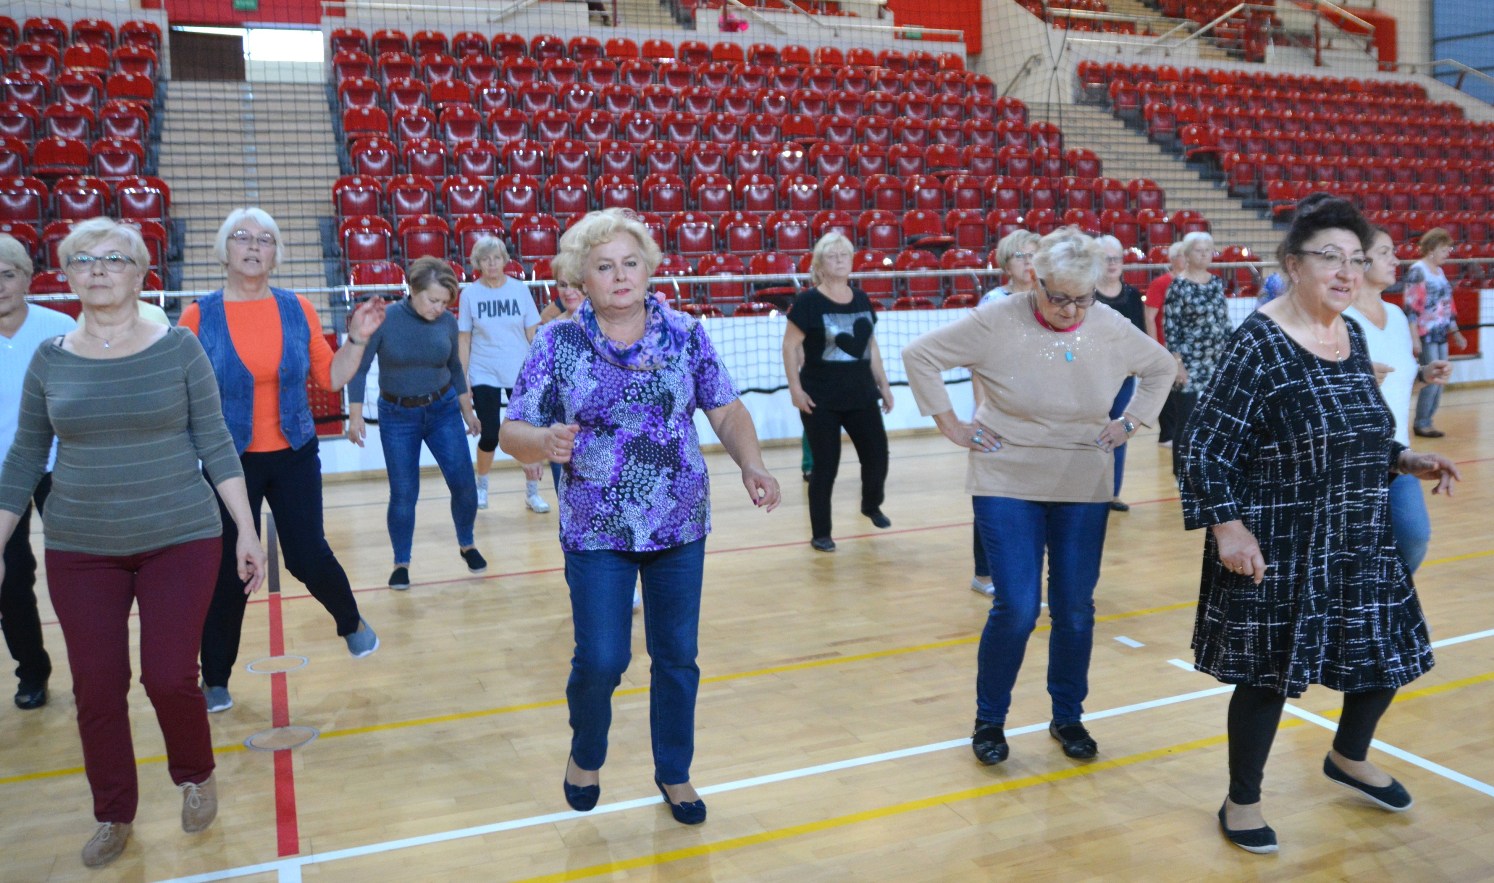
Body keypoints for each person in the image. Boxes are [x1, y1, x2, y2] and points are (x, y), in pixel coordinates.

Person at [1178, 195, 1460, 855]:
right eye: (1330, 257)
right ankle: (1241, 800)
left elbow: (1357, 428)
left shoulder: (1350, 333)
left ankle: (1348, 756)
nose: (1346, 271)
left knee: (1389, 652)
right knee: (1268, 676)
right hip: (1279, 537)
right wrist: (1228, 528)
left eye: (1357, 260)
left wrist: (1403, 458)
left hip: (1358, 532)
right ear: (1292, 264)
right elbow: (1202, 447)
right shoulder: (1259, 342)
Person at [0, 218, 267, 868]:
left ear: (141, 272)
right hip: (80, 545)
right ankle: (113, 811)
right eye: (83, 259)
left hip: (181, 535)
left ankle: (195, 773)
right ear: (66, 275)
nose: (98, 268)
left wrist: (247, 528)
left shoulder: (178, 348)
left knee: (168, 676)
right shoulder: (50, 357)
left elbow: (214, 440)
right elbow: (25, 458)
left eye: (114, 258)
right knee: (96, 686)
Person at [499, 209, 780, 825]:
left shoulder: (686, 334)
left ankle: (674, 771)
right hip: (596, 526)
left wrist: (752, 464)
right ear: (582, 278)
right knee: (602, 659)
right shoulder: (556, 342)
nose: (620, 276)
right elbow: (511, 430)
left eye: (631, 263)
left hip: (679, 521)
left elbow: (726, 409)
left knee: (677, 656)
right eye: (605, 267)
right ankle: (586, 750)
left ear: (649, 269)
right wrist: (543, 441)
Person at [902, 228, 1176, 767]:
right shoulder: (995, 319)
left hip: (1083, 476)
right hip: (1006, 473)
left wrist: (1131, 422)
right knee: (1019, 607)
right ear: (1035, 279)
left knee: (1074, 608)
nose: (1071, 310)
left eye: (1082, 299)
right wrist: (951, 425)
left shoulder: (1108, 323)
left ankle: (1068, 716)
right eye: (1059, 297)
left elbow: (1160, 367)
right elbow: (920, 356)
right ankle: (990, 720)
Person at [180, 208, 383, 714]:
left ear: (276, 254)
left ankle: (351, 622)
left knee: (307, 555)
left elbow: (331, 378)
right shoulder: (198, 316)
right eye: (242, 237)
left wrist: (357, 339)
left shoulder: (298, 308)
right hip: (228, 461)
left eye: (265, 239)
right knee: (228, 572)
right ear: (224, 250)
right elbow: (180, 392)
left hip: (293, 451)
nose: (253, 246)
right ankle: (216, 679)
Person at [348, 257, 488, 589]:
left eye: (444, 302)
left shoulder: (447, 323)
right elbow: (359, 368)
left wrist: (467, 412)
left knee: (464, 484)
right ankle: (401, 562)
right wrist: (355, 416)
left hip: (443, 411)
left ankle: (467, 543)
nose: (439, 308)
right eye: (433, 300)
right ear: (412, 289)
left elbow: (455, 369)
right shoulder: (385, 320)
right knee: (404, 493)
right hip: (398, 416)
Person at [1346, 226, 1452, 574]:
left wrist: (1422, 376)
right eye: (1385, 252)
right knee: (1354, 553)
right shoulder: (1339, 319)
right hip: (1352, 461)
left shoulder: (1395, 316)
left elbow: (1395, 384)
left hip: (1398, 454)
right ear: (1360, 261)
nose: (1396, 259)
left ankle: (1388, 600)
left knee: (1414, 537)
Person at [782, 232, 894, 553]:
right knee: (825, 466)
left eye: (844, 255)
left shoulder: (861, 298)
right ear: (819, 265)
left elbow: (870, 344)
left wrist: (884, 385)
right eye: (832, 256)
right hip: (820, 398)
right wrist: (795, 389)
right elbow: (789, 347)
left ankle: (871, 505)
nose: (840, 260)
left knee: (877, 456)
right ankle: (821, 533)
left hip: (862, 395)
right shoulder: (808, 302)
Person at [0, 234, 73, 710]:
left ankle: (93, 670)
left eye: (7, 275)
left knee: (76, 572)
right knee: (11, 580)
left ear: (27, 278)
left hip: (57, 467)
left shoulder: (59, 328)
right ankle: (32, 672)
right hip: (1, 476)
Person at [966, 229, 1045, 594]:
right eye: (1020, 256)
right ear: (1005, 263)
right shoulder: (994, 302)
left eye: (1034, 255)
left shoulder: (1049, 298)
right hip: (1000, 412)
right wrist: (982, 412)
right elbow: (978, 361)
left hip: (1040, 414)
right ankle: (984, 574)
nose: (1028, 263)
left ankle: (1026, 571)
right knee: (993, 493)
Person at [458, 235, 548, 513]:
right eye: (485, 259)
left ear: (505, 260)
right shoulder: (469, 295)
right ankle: (481, 487)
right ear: (478, 263)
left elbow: (533, 333)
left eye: (496, 258)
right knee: (490, 434)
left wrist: (542, 369)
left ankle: (532, 493)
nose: (492, 264)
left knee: (527, 434)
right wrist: (464, 378)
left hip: (519, 370)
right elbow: (464, 338)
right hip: (484, 370)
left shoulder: (519, 290)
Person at [1162, 231, 1230, 475]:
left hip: (1216, 359)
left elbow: (1224, 321)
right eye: (1199, 250)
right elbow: (1171, 328)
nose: (1204, 255)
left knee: (1215, 419)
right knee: (1187, 420)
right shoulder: (1178, 286)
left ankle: (1208, 466)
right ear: (1188, 255)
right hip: (1189, 362)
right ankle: (1181, 472)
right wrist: (1177, 364)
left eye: (1208, 250)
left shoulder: (1216, 282)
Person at [1094, 235, 1148, 512]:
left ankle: (1112, 493)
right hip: (1092, 378)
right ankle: (1088, 491)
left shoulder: (1133, 296)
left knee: (1119, 430)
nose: (1112, 263)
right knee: (1090, 431)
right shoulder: (1087, 295)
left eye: (1116, 258)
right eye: (1106, 259)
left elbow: (1140, 335)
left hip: (1124, 378)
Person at [1401, 227, 1464, 438]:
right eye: (1444, 249)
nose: (1447, 253)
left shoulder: (1440, 272)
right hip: (1425, 333)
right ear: (1432, 249)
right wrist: (1414, 338)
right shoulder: (1418, 271)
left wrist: (1455, 332)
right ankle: (1422, 422)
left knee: (1440, 378)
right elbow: (1411, 307)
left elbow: (1447, 305)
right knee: (1431, 378)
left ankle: (1428, 419)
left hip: (1440, 333)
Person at [1144, 240, 1186, 447]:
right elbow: (1149, 316)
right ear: (1174, 259)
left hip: (1184, 346)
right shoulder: (1161, 283)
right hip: (1165, 343)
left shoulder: (1189, 282)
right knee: (1167, 390)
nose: (1187, 259)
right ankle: (1167, 434)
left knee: (1180, 389)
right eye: (1184, 255)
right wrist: (1156, 346)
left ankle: (1178, 432)